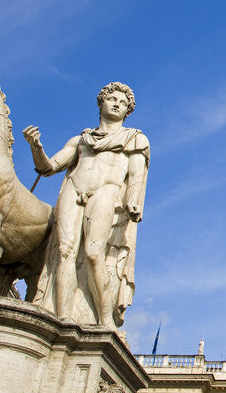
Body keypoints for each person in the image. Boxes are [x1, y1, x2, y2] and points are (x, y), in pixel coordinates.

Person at [23, 82, 149, 329]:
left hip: (107, 191)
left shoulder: (134, 139)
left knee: (93, 254)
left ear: (127, 111)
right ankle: (62, 317)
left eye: (122, 103)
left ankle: (104, 321)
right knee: (64, 252)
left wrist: (133, 201)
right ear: (101, 102)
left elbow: (136, 178)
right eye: (112, 99)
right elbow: (48, 167)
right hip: (74, 188)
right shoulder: (81, 140)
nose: (116, 104)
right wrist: (36, 147)